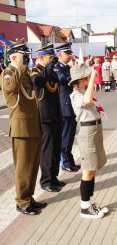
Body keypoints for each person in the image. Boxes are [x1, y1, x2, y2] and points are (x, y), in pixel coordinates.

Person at [0, 39, 46, 215]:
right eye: (22, 56)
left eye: (26, 56)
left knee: (33, 165)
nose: (26, 59)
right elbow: (11, 88)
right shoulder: (8, 73)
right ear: (13, 57)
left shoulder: (24, 73)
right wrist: (19, 66)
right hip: (21, 128)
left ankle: (29, 197)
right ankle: (21, 202)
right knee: (23, 166)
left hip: (33, 125)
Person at [69, 64, 109, 219]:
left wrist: (90, 81)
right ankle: (84, 207)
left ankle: (90, 202)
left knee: (92, 170)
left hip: (94, 132)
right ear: (81, 79)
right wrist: (93, 78)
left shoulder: (83, 92)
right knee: (87, 171)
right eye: (86, 76)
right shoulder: (76, 95)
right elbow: (86, 101)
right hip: (87, 134)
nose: (89, 78)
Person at [30, 44, 65, 192]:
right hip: (44, 117)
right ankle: (45, 181)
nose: (52, 60)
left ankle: (54, 177)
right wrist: (47, 68)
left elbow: (57, 86)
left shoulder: (50, 72)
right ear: (41, 58)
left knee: (56, 148)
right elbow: (38, 83)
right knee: (48, 150)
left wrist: (50, 68)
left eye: (52, 57)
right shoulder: (34, 72)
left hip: (56, 114)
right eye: (50, 57)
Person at [53, 43, 80, 172]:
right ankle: (65, 163)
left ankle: (70, 161)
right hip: (65, 106)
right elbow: (65, 80)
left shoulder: (66, 67)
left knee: (70, 136)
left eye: (70, 53)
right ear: (60, 54)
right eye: (67, 53)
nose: (70, 55)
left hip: (70, 105)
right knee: (66, 137)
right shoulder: (57, 67)